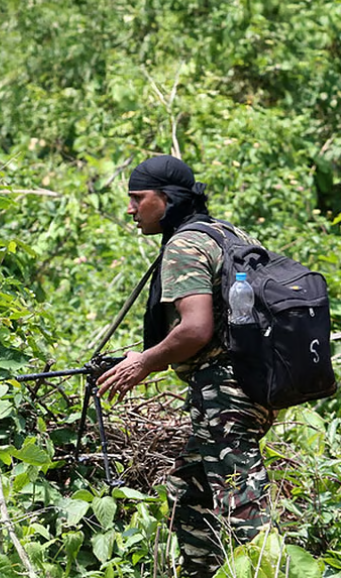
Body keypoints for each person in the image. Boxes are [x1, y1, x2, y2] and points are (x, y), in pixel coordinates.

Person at [96, 155, 274, 578]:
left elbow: (195, 329)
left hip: (225, 389)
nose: (131, 209)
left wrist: (144, 362)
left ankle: (271, 569)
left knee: (242, 501)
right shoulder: (229, 234)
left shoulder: (184, 245)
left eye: (138, 198)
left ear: (168, 198)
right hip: (255, 381)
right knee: (189, 491)